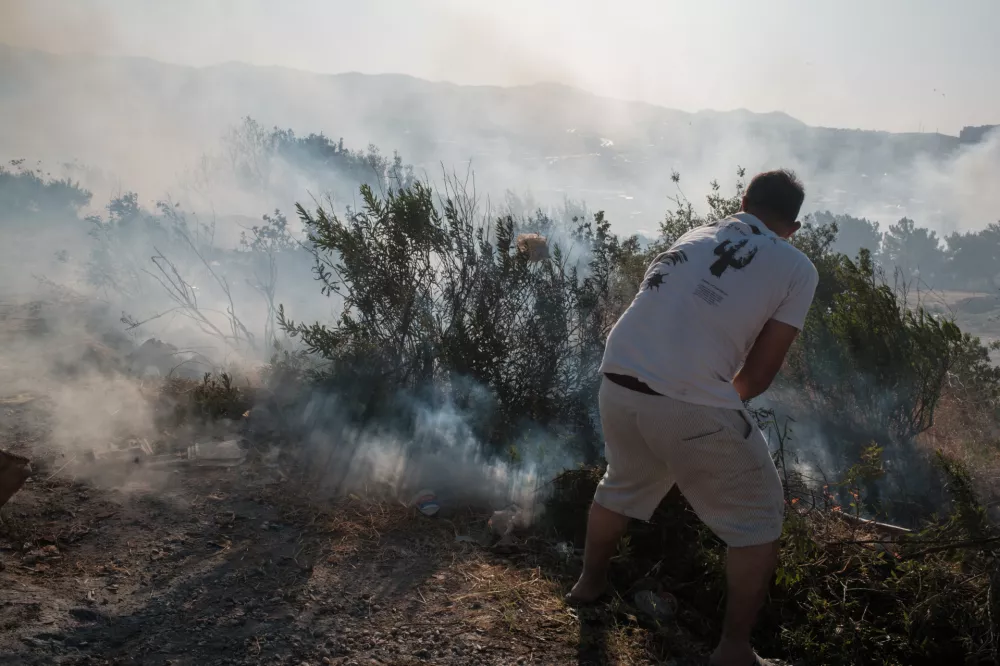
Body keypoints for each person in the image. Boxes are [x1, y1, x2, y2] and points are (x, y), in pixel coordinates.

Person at [568, 169, 818, 666]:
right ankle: (733, 650)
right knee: (758, 517)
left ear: (743, 201)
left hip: (617, 378)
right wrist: (717, 405)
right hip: (686, 399)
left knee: (622, 482)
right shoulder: (797, 267)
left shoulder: (696, 234)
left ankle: (588, 585)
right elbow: (761, 372)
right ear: (791, 227)